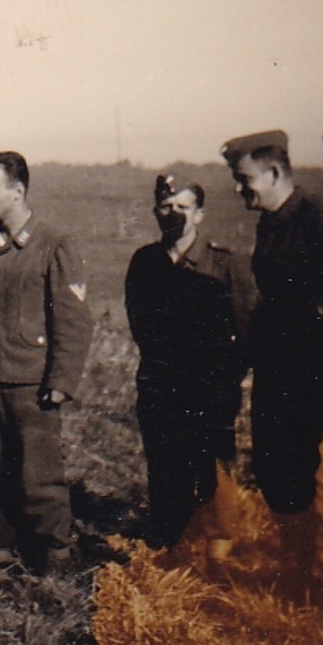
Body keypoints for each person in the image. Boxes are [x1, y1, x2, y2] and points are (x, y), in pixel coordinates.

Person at [223, 130, 323, 594]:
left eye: (246, 180)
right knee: (271, 465)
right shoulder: (272, 221)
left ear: (275, 172)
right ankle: (298, 562)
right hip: (276, 362)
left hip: (313, 362)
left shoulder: (318, 218)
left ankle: (307, 574)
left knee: (296, 463)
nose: (241, 189)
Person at [0, 151, 93, 574]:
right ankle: (1, 553)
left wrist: (61, 380)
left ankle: (55, 556)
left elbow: (73, 321)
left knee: (39, 477)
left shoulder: (54, 244)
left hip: (30, 383)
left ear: (17, 192)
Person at [123, 174, 256, 550]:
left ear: (199, 214)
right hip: (162, 386)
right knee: (165, 466)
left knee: (213, 465)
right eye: (166, 206)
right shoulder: (145, 263)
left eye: (183, 207)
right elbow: (140, 326)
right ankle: (170, 544)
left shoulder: (225, 264)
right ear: (155, 211)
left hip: (211, 388)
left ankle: (220, 547)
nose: (173, 214)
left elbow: (246, 329)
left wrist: (228, 377)